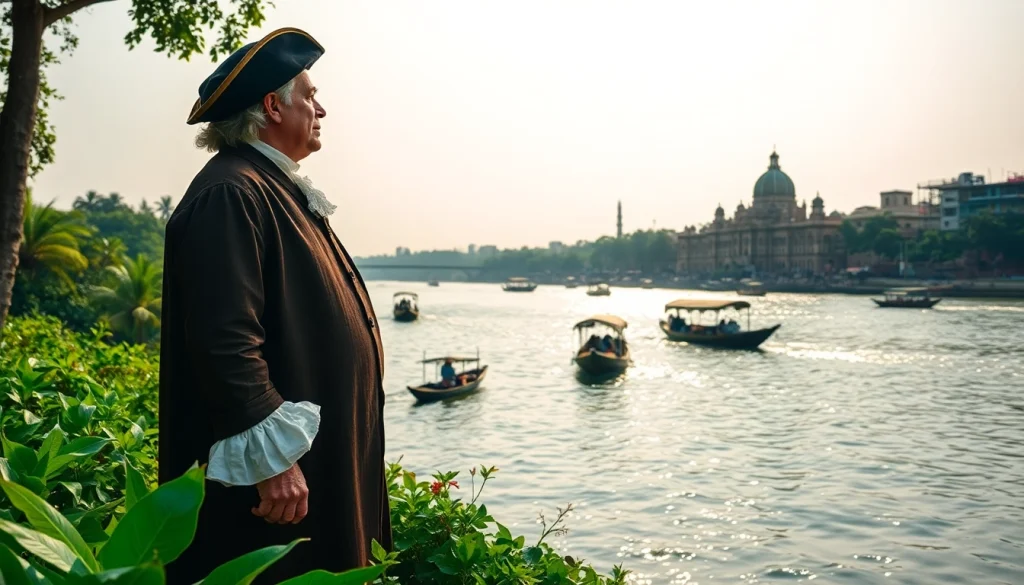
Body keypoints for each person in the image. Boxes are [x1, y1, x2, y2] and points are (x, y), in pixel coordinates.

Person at [158, 28, 390, 585]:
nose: (322, 108)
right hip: (276, 494)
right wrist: (273, 461)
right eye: (310, 95)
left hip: (307, 480)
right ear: (272, 106)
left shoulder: (266, 186)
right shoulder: (232, 193)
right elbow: (225, 340)